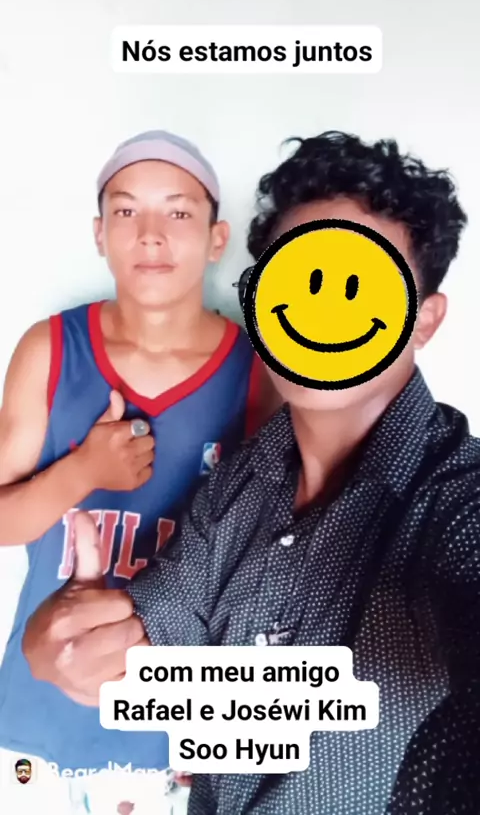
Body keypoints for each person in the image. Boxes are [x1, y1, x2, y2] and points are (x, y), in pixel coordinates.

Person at [22, 131, 480, 815]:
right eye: (301, 281)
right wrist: (68, 638)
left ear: (424, 321)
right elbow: (146, 642)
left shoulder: (459, 505)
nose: (324, 312)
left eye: (357, 287)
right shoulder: (236, 487)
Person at [0, 130, 275, 813]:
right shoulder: (50, 348)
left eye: (178, 211)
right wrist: (83, 471)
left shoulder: (258, 371)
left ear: (216, 238)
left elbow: (268, 561)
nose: (151, 233)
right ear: (99, 233)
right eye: (126, 211)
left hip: (176, 732)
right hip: (42, 711)